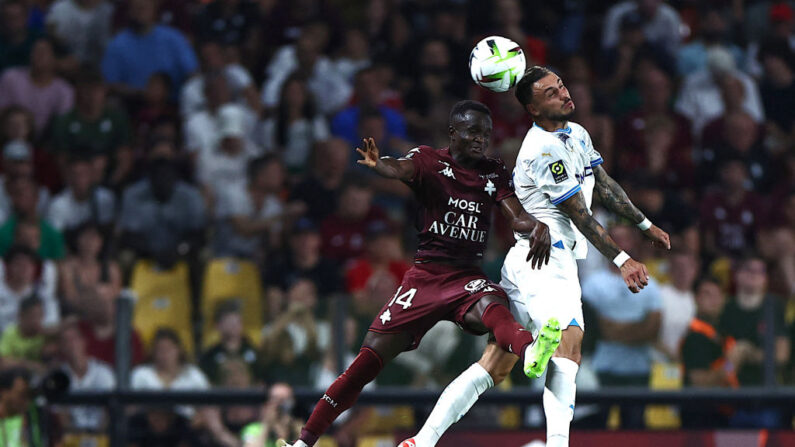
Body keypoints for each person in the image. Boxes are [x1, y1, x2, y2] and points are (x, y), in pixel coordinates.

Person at [404, 67, 670, 447]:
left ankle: (421, 441)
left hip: (526, 262)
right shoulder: (542, 149)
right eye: (550, 93)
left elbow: (605, 185)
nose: (563, 93)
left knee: (495, 366)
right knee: (569, 344)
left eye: (561, 85)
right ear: (533, 108)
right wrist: (622, 259)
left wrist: (644, 225)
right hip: (548, 260)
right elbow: (579, 213)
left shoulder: (576, 133)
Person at [279, 100, 558, 447]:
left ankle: (530, 351)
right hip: (425, 278)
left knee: (493, 301)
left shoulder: (493, 171)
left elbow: (515, 215)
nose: (480, 140)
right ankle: (304, 441)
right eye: (472, 131)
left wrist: (535, 226)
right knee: (366, 362)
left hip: (465, 277)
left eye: (485, 134)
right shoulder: (429, 160)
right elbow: (402, 169)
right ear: (453, 133)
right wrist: (379, 165)